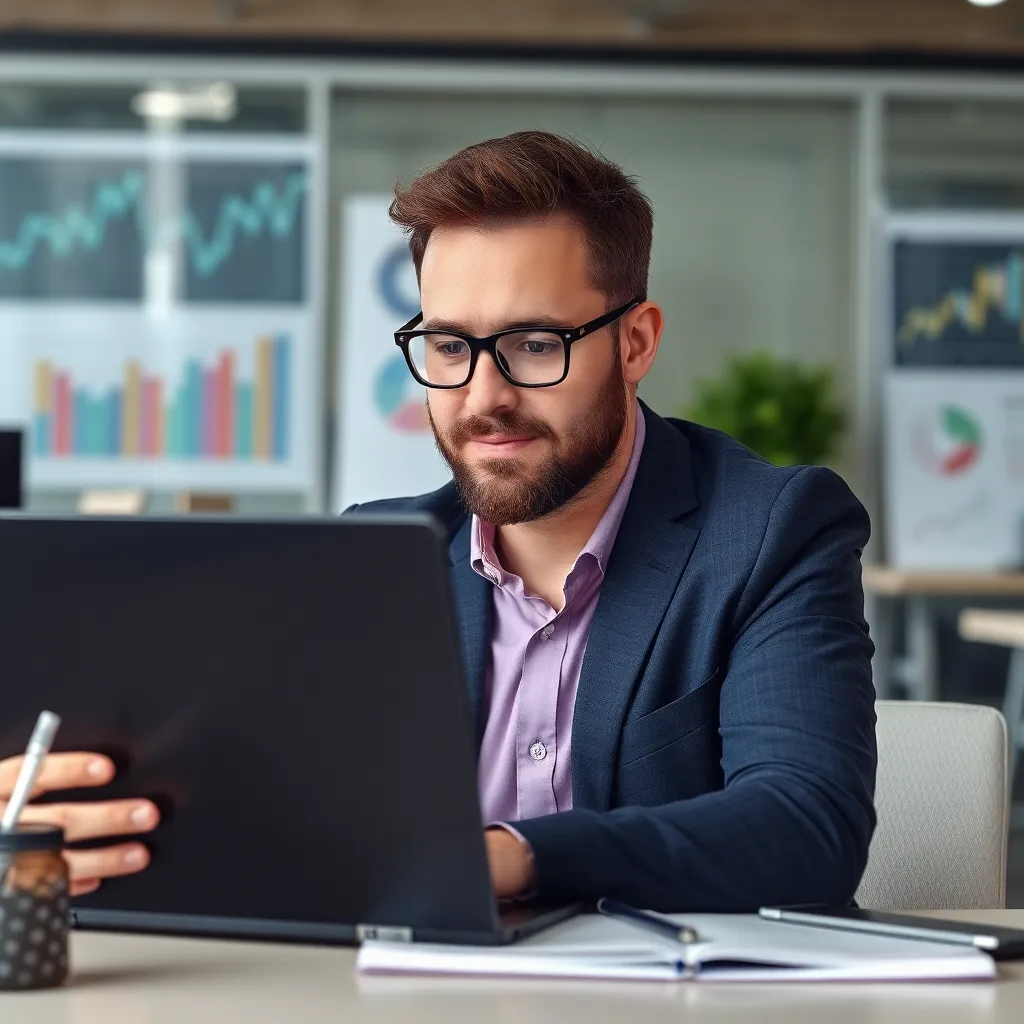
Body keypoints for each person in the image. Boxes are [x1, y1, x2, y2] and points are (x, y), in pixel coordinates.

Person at [0, 131, 877, 912]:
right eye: (450, 347)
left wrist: (508, 858)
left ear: (636, 341)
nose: (483, 398)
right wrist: (75, 811)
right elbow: (257, 807)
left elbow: (806, 827)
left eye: (535, 344)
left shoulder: (770, 530)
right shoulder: (369, 562)